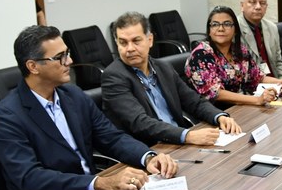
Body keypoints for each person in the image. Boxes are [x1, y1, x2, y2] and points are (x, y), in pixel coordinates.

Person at [0, 25, 177, 190]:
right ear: (33, 67)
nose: (69, 61)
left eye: (67, 53)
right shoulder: (7, 115)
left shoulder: (73, 95)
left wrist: (148, 157)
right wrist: (101, 183)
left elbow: (111, 137)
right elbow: (30, 177)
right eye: (59, 57)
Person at [102, 11, 242, 146]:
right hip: (149, 150)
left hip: (178, 143)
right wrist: (188, 136)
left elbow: (194, 102)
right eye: (123, 43)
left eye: (136, 41)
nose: (129, 48)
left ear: (150, 40)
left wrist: (220, 117)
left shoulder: (163, 68)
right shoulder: (113, 77)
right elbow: (140, 122)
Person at [185, 5, 282, 107]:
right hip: (213, 113)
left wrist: (280, 82)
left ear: (235, 30)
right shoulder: (201, 55)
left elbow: (256, 77)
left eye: (227, 24)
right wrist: (257, 100)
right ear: (209, 30)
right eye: (215, 24)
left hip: (240, 106)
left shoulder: (239, 50)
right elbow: (216, 93)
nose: (220, 28)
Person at [238, 0, 282, 79]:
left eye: (262, 3)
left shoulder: (272, 28)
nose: (258, 7)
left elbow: (278, 62)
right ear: (242, 6)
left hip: (275, 83)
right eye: (252, 2)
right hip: (251, 85)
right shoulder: (234, 29)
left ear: (266, 7)